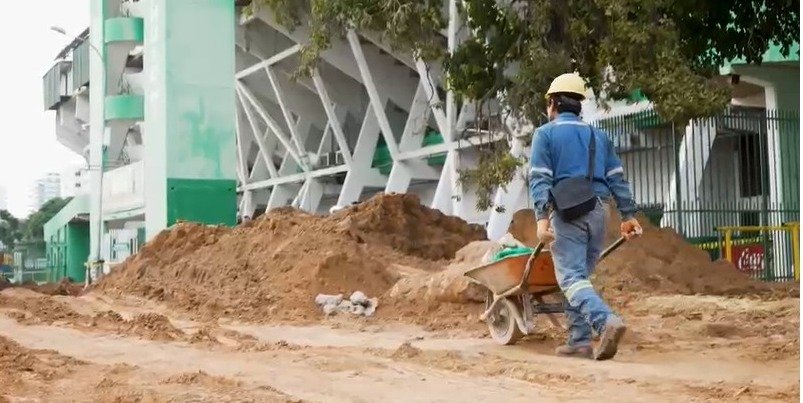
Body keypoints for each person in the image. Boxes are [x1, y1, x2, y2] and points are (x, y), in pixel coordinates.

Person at [528, 73, 642, 360]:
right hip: (599, 210)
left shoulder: (545, 134)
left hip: (568, 212)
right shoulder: (599, 136)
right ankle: (579, 340)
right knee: (581, 277)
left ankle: (606, 322)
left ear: (553, 103)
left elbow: (540, 179)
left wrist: (542, 218)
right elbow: (617, 178)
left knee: (569, 278)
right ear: (578, 105)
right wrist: (628, 215)